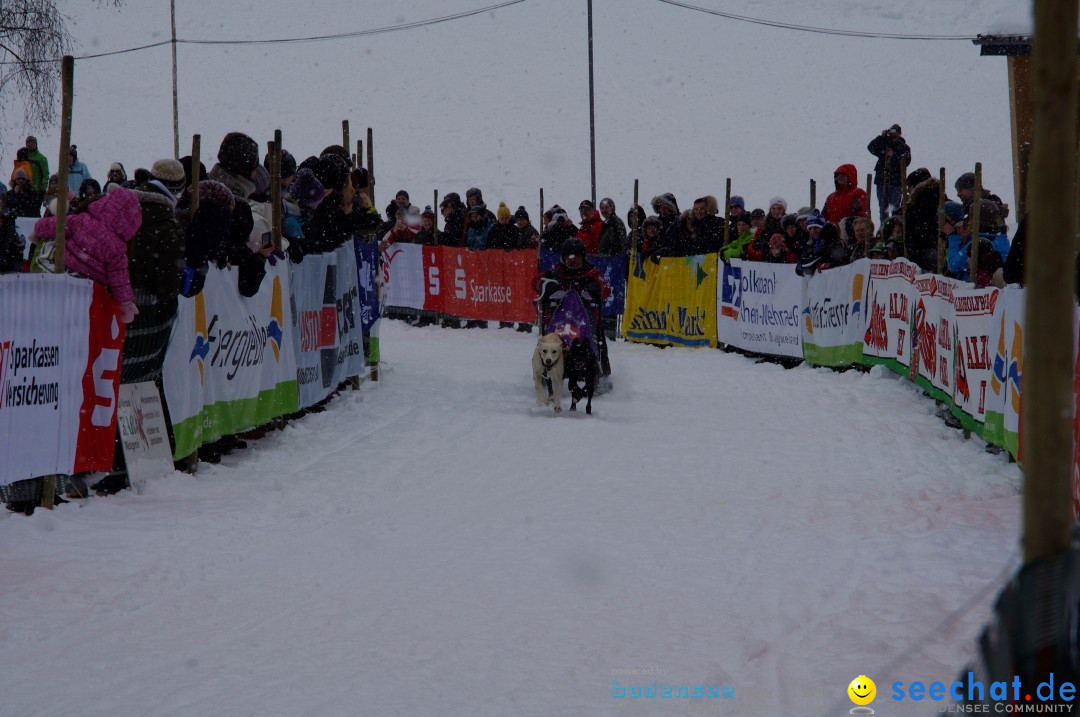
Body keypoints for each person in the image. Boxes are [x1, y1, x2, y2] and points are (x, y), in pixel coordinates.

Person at [32, 187, 142, 322]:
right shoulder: (118, 249)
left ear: (104, 203)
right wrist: (125, 304)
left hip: (64, 272)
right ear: (132, 220)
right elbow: (120, 279)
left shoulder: (82, 220)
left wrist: (38, 230)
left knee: (51, 312)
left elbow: (57, 225)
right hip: (88, 289)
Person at [535, 236, 612, 377]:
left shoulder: (591, 272)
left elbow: (605, 289)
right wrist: (549, 284)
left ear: (583, 257)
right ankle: (546, 368)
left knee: (598, 335)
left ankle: (602, 372)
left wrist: (594, 287)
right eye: (569, 257)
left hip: (584, 319)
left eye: (576, 256)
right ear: (563, 257)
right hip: (560, 318)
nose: (572, 260)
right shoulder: (556, 271)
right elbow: (537, 283)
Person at [867, 124, 911, 224]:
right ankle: (884, 230)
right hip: (882, 180)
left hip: (896, 181)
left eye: (895, 132)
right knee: (883, 209)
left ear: (899, 133)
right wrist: (882, 137)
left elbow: (906, 160)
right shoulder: (883, 143)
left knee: (895, 208)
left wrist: (894, 155)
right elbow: (871, 147)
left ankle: (894, 229)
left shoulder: (903, 146)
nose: (893, 134)